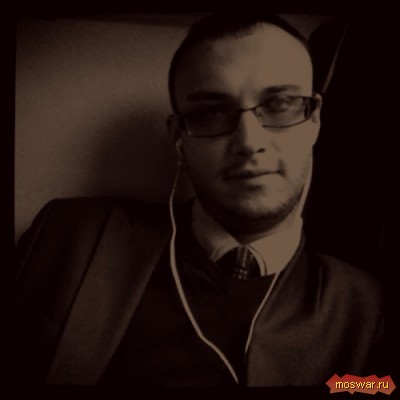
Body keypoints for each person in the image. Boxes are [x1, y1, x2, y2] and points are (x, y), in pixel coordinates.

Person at [16, 13, 385, 388]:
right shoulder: (68, 236)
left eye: (280, 104)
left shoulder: (367, 309)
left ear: (314, 120)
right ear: (179, 138)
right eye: (212, 112)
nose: (249, 143)